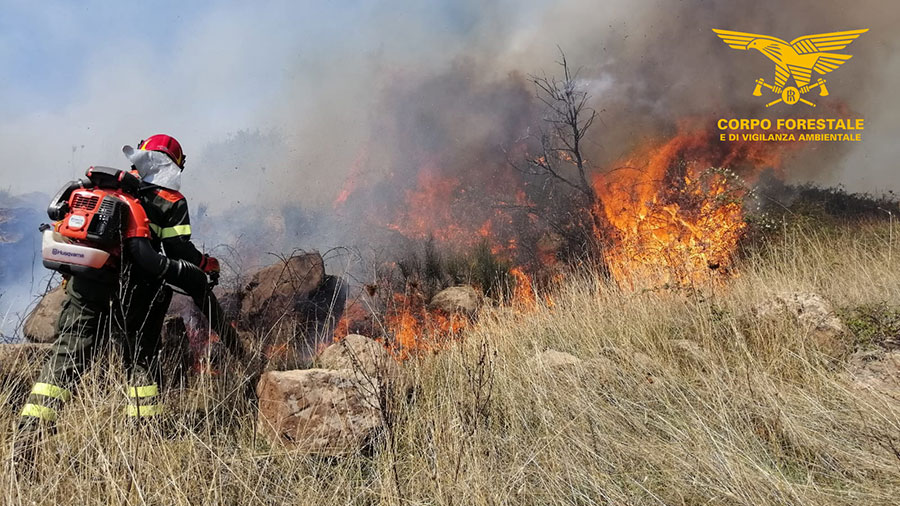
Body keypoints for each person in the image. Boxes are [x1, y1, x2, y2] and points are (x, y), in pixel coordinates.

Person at [15, 135, 244, 457]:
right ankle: (145, 432)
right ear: (176, 163)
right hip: (139, 290)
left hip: (88, 282)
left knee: (68, 355)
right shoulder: (170, 200)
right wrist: (205, 265)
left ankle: (30, 432)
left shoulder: (104, 189)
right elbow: (178, 250)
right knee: (141, 356)